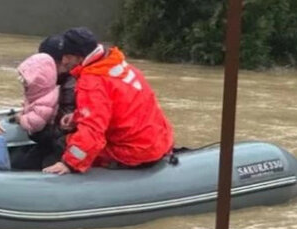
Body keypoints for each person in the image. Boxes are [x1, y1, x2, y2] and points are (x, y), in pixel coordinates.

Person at [43, 27, 174, 174]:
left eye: (68, 57)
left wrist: (69, 163)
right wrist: (77, 117)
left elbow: (93, 131)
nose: (64, 61)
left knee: (62, 144)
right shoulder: (116, 64)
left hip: (134, 152)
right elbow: (113, 108)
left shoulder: (92, 82)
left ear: (80, 57)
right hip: (158, 142)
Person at [11, 35, 76, 170]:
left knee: (29, 166)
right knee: (18, 162)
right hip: (52, 142)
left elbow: (59, 134)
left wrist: (31, 126)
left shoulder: (70, 88)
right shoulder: (48, 85)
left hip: (63, 148)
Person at [14, 53, 60, 135]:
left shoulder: (46, 101)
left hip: (44, 134)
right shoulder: (41, 92)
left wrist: (20, 119)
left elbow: (34, 124)